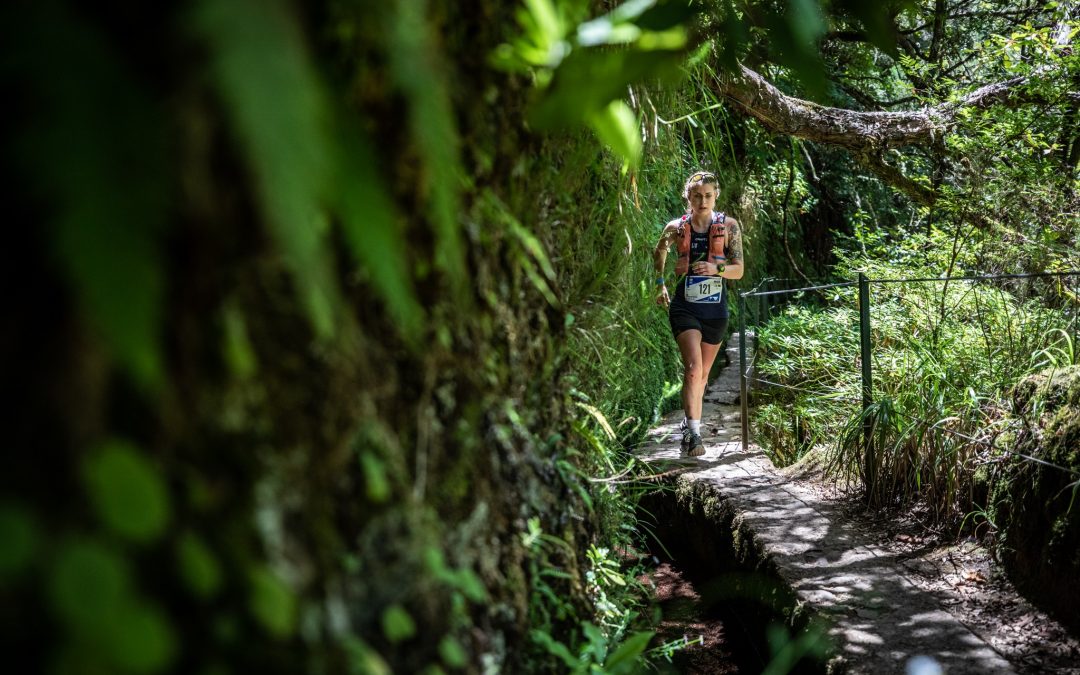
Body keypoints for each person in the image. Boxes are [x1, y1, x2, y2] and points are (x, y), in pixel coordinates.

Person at [653, 171, 744, 456]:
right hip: (685, 307)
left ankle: (688, 424)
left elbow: (739, 271)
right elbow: (660, 251)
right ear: (688, 197)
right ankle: (694, 435)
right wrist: (660, 284)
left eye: (708, 195)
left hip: (716, 311)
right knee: (693, 369)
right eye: (696, 195)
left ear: (716, 195)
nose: (702, 201)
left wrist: (715, 269)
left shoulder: (729, 227)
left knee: (702, 376)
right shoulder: (676, 227)